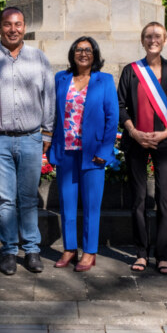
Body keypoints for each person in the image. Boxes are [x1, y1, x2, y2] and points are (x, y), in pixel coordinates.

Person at [0, 7, 55, 276]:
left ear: (25, 26)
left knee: (29, 198)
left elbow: (49, 97)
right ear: (0, 27)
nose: (13, 29)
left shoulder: (38, 58)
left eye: (18, 24)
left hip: (31, 138)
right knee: (5, 199)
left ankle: (32, 250)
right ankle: (9, 250)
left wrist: (47, 132)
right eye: (8, 24)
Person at [117, 22, 167, 274]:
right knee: (137, 199)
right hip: (137, 140)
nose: (152, 40)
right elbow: (121, 105)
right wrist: (134, 132)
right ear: (142, 40)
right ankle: (141, 253)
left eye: (157, 36)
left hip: (164, 140)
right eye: (148, 36)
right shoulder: (131, 71)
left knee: (163, 199)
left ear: (165, 40)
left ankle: (163, 255)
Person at [48, 37, 118, 272]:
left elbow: (112, 118)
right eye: (79, 49)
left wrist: (105, 150)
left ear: (95, 54)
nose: (83, 53)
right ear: (72, 53)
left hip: (93, 153)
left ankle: (89, 252)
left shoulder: (104, 80)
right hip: (66, 151)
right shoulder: (61, 78)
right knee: (67, 204)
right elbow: (53, 112)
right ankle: (69, 248)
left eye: (88, 50)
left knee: (91, 206)